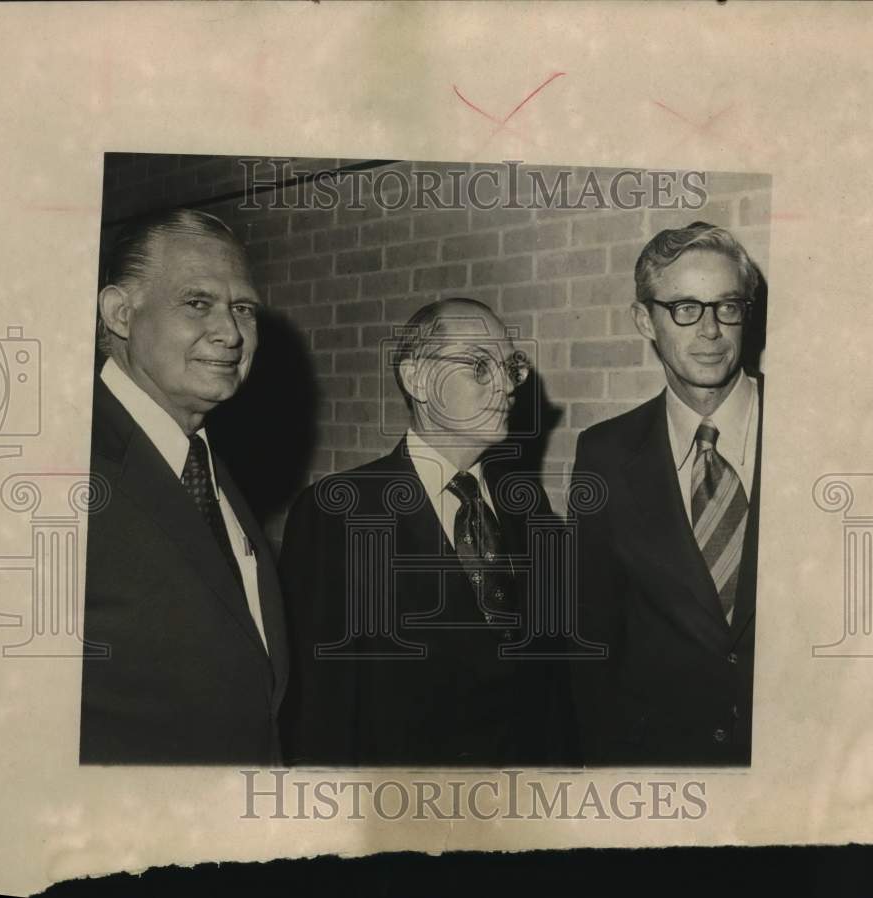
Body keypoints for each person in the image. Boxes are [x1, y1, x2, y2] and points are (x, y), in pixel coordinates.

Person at [279, 298, 573, 766]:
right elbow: (320, 709)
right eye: (479, 365)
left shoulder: (528, 508)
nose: (505, 386)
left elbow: (552, 686)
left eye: (510, 366)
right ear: (416, 379)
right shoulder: (339, 513)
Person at [80, 208, 288, 764]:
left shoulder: (207, 463)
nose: (231, 332)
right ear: (121, 313)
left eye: (242, 308)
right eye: (197, 303)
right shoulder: (55, 465)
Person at [569, 222, 764, 765]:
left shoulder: (816, 428)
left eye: (727, 306)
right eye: (684, 308)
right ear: (644, 320)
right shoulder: (603, 455)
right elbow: (591, 639)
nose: (709, 331)